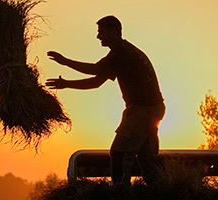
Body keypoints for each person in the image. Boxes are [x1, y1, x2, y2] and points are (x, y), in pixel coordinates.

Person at [46, 15, 165, 185]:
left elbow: (95, 69)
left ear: (113, 31)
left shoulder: (121, 52)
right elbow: (97, 81)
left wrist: (65, 62)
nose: (98, 36)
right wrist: (66, 84)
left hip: (142, 110)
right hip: (153, 110)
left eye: (101, 32)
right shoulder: (123, 52)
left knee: (119, 153)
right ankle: (161, 196)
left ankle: (120, 197)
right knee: (148, 162)